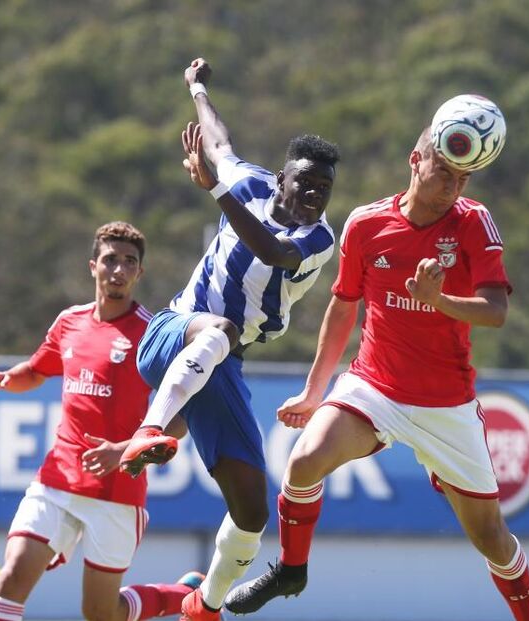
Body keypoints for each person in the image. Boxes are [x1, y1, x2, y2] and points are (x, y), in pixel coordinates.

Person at [224, 127, 529, 621]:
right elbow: (343, 307)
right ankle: (290, 570)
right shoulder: (366, 223)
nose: (452, 186)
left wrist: (437, 299)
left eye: (462, 178)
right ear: (416, 160)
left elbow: (496, 312)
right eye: (444, 172)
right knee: (303, 462)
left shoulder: (473, 221)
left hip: (446, 406)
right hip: (374, 388)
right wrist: (314, 392)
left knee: (492, 539)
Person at [117, 57, 339, 621]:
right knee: (220, 328)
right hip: (172, 332)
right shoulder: (249, 183)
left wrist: (215, 189)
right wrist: (197, 89)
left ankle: (205, 604)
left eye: (324, 188)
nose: (313, 195)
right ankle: (150, 429)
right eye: (305, 183)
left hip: (223, 364)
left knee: (252, 513)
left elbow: (274, 251)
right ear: (281, 179)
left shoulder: (318, 238)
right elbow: (218, 142)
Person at [0, 222, 201, 621]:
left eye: (129, 262)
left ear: (139, 272)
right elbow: (37, 370)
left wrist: (124, 450)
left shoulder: (153, 334)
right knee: (10, 579)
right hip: (56, 481)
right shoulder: (70, 321)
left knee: (100, 612)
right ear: (93, 266)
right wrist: (6, 379)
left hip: (117, 491)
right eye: (110, 260)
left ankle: (185, 596)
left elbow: (184, 414)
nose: (119, 269)